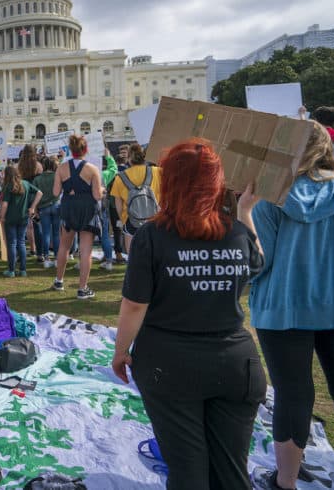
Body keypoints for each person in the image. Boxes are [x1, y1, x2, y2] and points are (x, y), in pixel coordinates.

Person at [112, 140, 266, 489]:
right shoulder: (237, 233)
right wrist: (245, 213)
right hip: (234, 364)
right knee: (231, 472)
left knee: (187, 471)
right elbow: (257, 263)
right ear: (216, 183)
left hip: (170, 364)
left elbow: (135, 304)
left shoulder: (152, 235)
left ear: (169, 182)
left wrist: (121, 351)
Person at [242, 122, 334, 490]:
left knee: (292, 393)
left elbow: (261, 260)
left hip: (283, 308)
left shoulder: (271, 194)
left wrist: (244, 217)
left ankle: (285, 482)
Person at [53, 134, 102, 298]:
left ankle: (59, 280)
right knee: (85, 250)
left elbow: (55, 192)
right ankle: (82, 288)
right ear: (85, 149)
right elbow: (97, 195)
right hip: (87, 209)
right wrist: (101, 190)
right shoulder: (92, 169)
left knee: (64, 246)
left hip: (68, 207)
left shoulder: (61, 168)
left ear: (70, 150)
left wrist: (70, 190)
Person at [111, 142, 162, 256]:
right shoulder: (158, 172)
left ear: (129, 158)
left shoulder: (120, 177)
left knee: (132, 257)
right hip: (154, 219)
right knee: (154, 254)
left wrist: (122, 218)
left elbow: (118, 204)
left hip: (131, 220)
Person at [0, 164, 42, 277]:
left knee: (12, 243)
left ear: (7, 174)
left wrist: (1, 216)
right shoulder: (26, 184)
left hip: (10, 218)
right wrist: (32, 207)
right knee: (21, 243)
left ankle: (11, 270)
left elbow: (5, 204)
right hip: (23, 217)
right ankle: (23, 270)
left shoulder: (8, 186)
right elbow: (39, 193)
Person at [32, 156, 60, 269]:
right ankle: (57, 258)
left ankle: (47, 258)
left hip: (43, 208)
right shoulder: (57, 177)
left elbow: (34, 195)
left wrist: (36, 208)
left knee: (46, 233)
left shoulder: (37, 179)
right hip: (56, 206)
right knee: (56, 234)